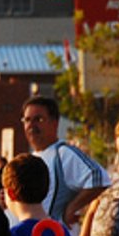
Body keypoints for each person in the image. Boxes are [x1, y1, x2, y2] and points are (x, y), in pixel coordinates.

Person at [19, 96, 109, 229]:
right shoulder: (30, 159)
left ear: (54, 123)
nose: (31, 125)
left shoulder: (63, 153)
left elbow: (99, 178)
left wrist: (72, 208)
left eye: (39, 119)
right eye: (27, 120)